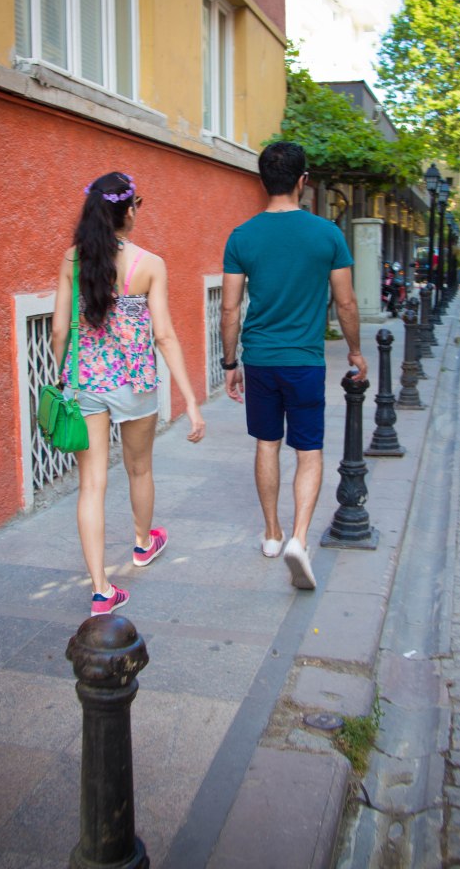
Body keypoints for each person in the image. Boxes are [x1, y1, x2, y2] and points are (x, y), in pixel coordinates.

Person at [52, 171, 205, 617]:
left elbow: (60, 329)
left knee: (92, 485)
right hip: (135, 384)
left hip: (86, 384)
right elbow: (166, 336)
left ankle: (101, 590)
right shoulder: (149, 264)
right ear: (128, 211)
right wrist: (191, 401)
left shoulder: (72, 261)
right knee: (139, 468)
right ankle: (142, 544)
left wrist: (63, 376)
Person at [220, 142, 367, 590]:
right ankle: (300, 539)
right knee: (309, 450)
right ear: (304, 181)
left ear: (263, 180)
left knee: (267, 444)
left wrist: (230, 363)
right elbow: (346, 303)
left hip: (260, 359)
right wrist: (356, 352)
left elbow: (229, 311)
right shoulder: (327, 235)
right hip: (305, 362)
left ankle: (271, 534)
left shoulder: (242, 236)